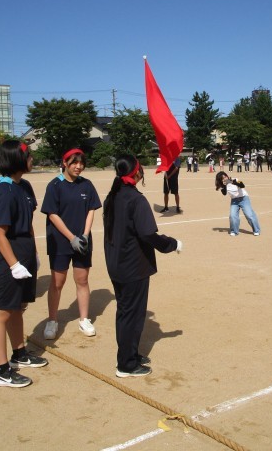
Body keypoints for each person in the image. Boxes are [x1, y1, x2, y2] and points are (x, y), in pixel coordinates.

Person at [103, 155, 182, 377]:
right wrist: (172, 244)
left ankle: (129, 353)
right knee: (133, 314)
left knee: (125, 312)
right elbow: (148, 234)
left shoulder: (113, 196)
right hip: (133, 265)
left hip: (116, 262)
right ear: (136, 172)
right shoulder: (135, 199)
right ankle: (126, 364)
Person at [0, 140, 47, 388]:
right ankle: (2, 371)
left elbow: (29, 223)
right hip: (9, 258)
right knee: (2, 311)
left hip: (25, 253)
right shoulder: (3, 190)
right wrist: (13, 264)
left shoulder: (24, 186)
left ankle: (19, 352)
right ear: (16, 159)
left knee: (17, 308)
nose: (32, 159)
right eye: (29, 156)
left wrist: (33, 253)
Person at [41, 149, 101, 340]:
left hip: (82, 241)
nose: (78, 166)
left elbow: (91, 209)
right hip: (60, 242)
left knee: (82, 280)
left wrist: (84, 235)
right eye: (74, 162)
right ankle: (52, 320)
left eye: (81, 163)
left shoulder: (87, 185)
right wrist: (71, 237)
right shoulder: (55, 185)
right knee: (57, 282)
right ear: (65, 163)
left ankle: (84, 319)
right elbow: (52, 214)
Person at [214, 171, 261, 237]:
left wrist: (233, 182)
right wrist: (225, 185)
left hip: (244, 198)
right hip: (234, 201)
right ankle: (234, 231)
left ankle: (256, 230)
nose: (225, 179)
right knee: (232, 215)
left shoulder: (234, 179)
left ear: (227, 176)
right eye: (222, 178)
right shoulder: (223, 185)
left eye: (225, 177)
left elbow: (242, 185)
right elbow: (224, 193)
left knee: (249, 214)